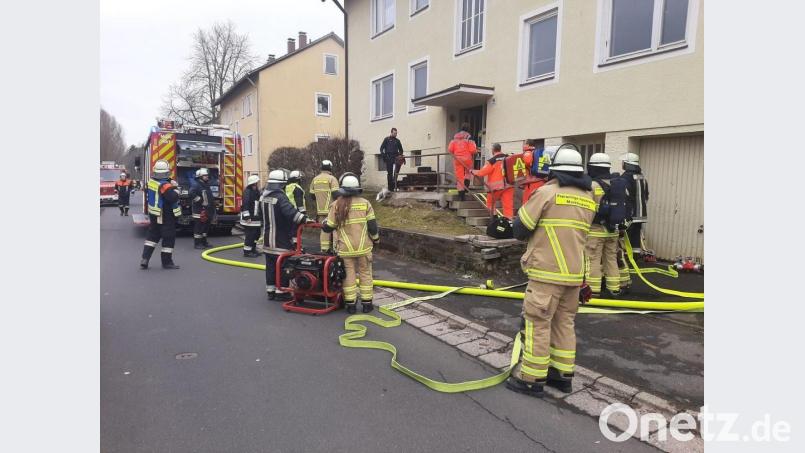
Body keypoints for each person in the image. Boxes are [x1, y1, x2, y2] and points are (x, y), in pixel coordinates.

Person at [508, 145, 596, 397]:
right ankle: (562, 375)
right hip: (574, 276)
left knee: (537, 324)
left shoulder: (546, 192)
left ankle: (531, 378)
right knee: (564, 323)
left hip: (546, 273)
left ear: (554, 170)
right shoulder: (588, 199)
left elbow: (520, 228)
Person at [321, 173, 380, 314]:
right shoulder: (365, 203)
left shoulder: (336, 205)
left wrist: (324, 224)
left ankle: (351, 305)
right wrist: (376, 239)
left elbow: (328, 227)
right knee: (365, 274)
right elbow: (372, 227)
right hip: (364, 248)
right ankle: (367, 304)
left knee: (348, 276)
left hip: (345, 249)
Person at [260, 169, 311, 301]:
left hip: (267, 239)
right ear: (282, 184)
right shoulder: (280, 197)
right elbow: (290, 212)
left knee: (271, 266)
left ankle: (270, 291)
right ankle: (281, 291)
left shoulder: (263, 196)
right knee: (283, 265)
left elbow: (259, 215)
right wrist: (305, 220)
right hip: (280, 239)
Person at [585, 153, 622, 296]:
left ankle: (593, 290)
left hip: (595, 230)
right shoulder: (616, 183)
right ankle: (614, 288)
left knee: (593, 259)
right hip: (613, 230)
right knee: (611, 258)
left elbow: (587, 209)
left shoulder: (592, 185)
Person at [140, 160, 181, 270]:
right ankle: (167, 262)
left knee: (152, 237)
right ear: (167, 172)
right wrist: (176, 189)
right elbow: (173, 198)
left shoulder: (151, 182)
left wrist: (170, 183)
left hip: (154, 214)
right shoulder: (165, 186)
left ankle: (145, 259)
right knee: (168, 238)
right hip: (165, 215)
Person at [472, 143, 513, 219]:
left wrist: (473, 171)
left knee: (490, 204)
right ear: (500, 149)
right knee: (508, 206)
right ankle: (509, 222)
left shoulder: (492, 161)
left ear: (493, 150)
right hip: (509, 185)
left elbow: (482, 173)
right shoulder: (508, 158)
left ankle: (494, 219)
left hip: (495, 188)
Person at [620, 152, 649, 254]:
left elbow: (624, 197)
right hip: (640, 215)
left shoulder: (625, 178)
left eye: (623, 162)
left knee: (626, 236)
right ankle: (635, 256)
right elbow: (646, 196)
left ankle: (626, 257)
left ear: (627, 164)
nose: (622, 164)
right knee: (636, 236)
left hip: (630, 215)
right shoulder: (642, 177)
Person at [309, 160, 340, 252]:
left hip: (320, 211)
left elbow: (312, 196)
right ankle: (336, 250)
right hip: (332, 211)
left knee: (324, 229)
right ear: (330, 168)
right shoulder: (332, 179)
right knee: (335, 229)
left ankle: (324, 249)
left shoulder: (315, 179)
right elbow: (336, 194)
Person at [447, 123, 478, 201]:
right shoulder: (469, 137)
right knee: (468, 173)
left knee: (459, 176)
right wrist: (476, 151)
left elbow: (450, 149)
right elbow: (473, 150)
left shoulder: (455, 137)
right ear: (468, 129)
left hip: (457, 159)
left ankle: (461, 195)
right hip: (467, 158)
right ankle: (466, 189)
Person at [190, 168, 215, 250]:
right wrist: (200, 201)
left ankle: (204, 242)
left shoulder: (205, 184)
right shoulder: (196, 185)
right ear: (200, 177)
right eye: (205, 175)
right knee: (199, 228)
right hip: (199, 211)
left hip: (206, 210)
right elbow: (191, 193)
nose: (207, 177)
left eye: (207, 175)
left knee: (205, 228)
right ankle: (197, 243)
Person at [520, 140, 551, 204]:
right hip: (542, 181)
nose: (523, 146)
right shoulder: (539, 153)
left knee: (528, 202)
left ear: (527, 145)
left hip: (531, 183)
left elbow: (527, 162)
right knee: (539, 201)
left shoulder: (528, 153)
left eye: (524, 144)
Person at [241, 174, 262, 257]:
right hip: (250, 219)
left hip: (255, 218)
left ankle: (253, 249)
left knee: (256, 234)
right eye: (257, 182)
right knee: (250, 236)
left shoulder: (256, 192)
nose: (258, 184)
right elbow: (245, 205)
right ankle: (247, 252)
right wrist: (247, 217)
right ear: (254, 183)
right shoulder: (248, 192)